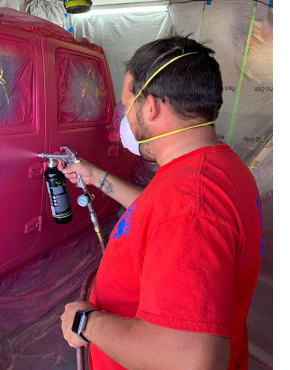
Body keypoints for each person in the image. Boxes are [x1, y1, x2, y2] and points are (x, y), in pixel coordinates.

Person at [59, 32, 262, 370]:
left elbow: (188, 360)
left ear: (150, 107)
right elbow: (157, 212)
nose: (125, 118)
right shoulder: (212, 166)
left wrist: (87, 323)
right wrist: (95, 176)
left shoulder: (191, 202)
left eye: (127, 105)